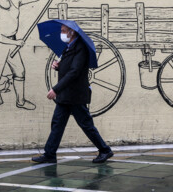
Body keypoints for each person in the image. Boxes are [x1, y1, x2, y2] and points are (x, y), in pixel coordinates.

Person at [32, 24, 114, 164]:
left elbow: (75, 72)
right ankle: (50, 154)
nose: (61, 33)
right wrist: (59, 67)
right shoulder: (69, 47)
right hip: (66, 96)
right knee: (57, 124)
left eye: (63, 31)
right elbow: (70, 68)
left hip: (75, 95)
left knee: (86, 125)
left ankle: (105, 150)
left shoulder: (80, 48)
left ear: (72, 32)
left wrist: (56, 89)